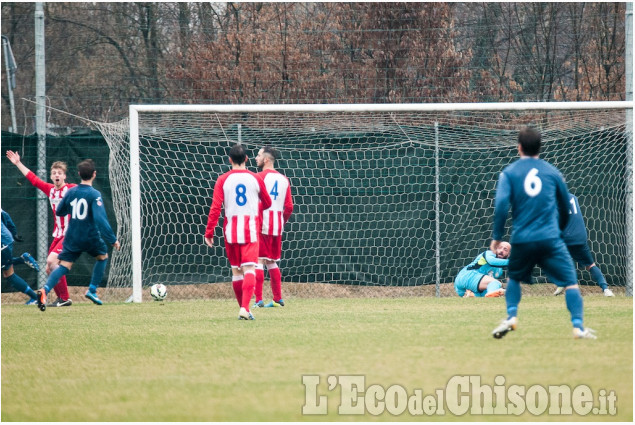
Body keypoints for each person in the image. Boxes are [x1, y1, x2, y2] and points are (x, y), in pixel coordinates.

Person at [490, 127, 596, 340]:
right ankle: (578, 326)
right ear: (540, 147)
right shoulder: (552, 172)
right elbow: (565, 206)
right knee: (571, 282)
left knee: (514, 279)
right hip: (550, 238)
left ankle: (511, 316)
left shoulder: (509, 173)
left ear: (518, 147)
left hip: (522, 238)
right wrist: (559, 230)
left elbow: (501, 206)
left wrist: (497, 236)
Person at [35, 159, 120, 312]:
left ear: (79, 174)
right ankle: (92, 290)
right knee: (102, 257)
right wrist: (112, 239)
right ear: (94, 175)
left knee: (64, 266)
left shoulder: (71, 192)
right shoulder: (94, 194)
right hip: (89, 235)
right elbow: (101, 219)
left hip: (72, 235)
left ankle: (45, 290)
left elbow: (60, 211)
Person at [205, 144, 272, 320]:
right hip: (250, 230)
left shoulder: (222, 179)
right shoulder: (255, 178)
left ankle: (244, 308)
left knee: (236, 271)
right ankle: (245, 307)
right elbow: (267, 203)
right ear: (247, 160)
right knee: (249, 268)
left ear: (229, 160)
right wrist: (255, 207)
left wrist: (209, 232)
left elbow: (215, 208)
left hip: (230, 232)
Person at [6, 150, 75, 307]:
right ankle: (63, 298)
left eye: (60, 173)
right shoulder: (50, 190)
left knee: (52, 262)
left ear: (64, 176)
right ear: (51, 176)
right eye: (54, 173)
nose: (57, 175)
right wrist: (18, 163)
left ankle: (64, 299)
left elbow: (86, 192)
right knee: (49, 269)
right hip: (58, 235)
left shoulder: (72, 189)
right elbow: (34, 179)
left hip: (69, 234)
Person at [252, 147, 294, 308]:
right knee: (272, 262)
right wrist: (281, 221)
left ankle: (258, 300)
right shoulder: (284, 179)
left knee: (258, 261)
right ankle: (278, 299)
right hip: (277, 226)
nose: (256, 158)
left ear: (266, 159)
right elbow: (289, 207)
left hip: (261, 224)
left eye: (259, 155)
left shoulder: (258, 177)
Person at [553, 193, 614, 297]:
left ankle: (564, 284)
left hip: (566, 237)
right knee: (590, 265)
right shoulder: (573, 197)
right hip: (580, 236)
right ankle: (606, 289)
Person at [1, 209, 39, 304]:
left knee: (9, 274)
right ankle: (35, 298)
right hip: (6, 239)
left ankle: (35, 298)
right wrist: (14, 233)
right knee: (8, 272)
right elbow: (5, 215)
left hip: (2, 242)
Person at [1, 209, 41, 274]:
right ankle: (22, 259)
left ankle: (22, 259)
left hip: (4, 240)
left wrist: (14, 233)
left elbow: (4, 214)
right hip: (6, 239)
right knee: (7, 271)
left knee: (6, 269)